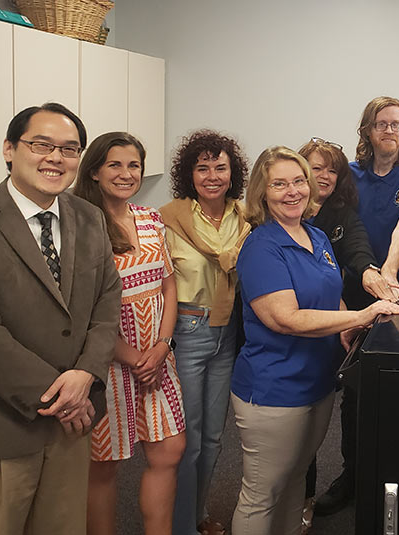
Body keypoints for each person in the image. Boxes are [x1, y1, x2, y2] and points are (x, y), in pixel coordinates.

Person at [231, 146, 399, 535]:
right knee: (262, 493)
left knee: (295, 481)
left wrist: (345, 324)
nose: (291, 192)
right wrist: (361, 315)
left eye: (298, 182)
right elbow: (285, 318)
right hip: (274, 389)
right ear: (262, 192)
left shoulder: (316, 236)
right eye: (279, 184)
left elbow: (331, 291)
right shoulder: (261, 247)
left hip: (318, 382)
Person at [0, 103, 121, 533]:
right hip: (6, 421)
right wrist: (58, 395)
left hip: (74, 420)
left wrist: (85, 374)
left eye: (69, 148)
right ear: (9, 149)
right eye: (41, 144)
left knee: (63, 526)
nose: (55, 158)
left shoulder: (89, 217)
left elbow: (106, 301)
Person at [73, 132, 187, 535]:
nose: (126, 173)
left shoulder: (151, 218)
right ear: (95, 170)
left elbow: (168, 286)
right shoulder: (81, 225)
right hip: (107, 362)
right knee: (105, 465)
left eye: (133, 165)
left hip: (157, 357)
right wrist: (135, 358)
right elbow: (82, 310)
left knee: (169, 450)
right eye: (115, 165)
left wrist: (161, 346)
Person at [298, 137, 393, 525]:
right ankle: (298, 497)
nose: (324, 176)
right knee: (296, 418)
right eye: (315, 167)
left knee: (334, 407)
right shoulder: (278, 215)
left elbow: (357, 250)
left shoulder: (339, 214)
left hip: (337, 323)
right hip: (288, 329)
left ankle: (335, 487)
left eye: (332, 169)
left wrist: (370, 272)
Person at [161, 130, 250, 535]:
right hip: (188, 329)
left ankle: (197, 517)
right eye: (202, 168)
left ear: (233, 173)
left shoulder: (246, 218)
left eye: (220, 167)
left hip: (228, 330)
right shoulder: (170, 218)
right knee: (188, 440)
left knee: (214, 438)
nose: (212, 175)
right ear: (188, 174)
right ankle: (179, 526)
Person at [349, 96, 399, 307]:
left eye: (396, 125)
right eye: (381, 124)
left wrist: (388, 272)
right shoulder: (348, 175)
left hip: (395, 284)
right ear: (367, 130)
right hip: (354, 280)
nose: (390, 130)